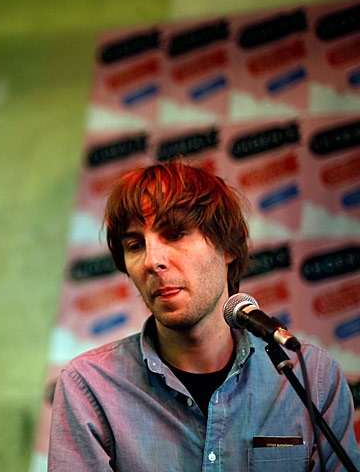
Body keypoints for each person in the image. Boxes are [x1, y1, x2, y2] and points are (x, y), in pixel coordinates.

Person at [48, 161, 360, 471]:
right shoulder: (89, 386)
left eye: (174, 234)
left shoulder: (313, 377)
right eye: (135, 245)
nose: (152, 260)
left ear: (227, 247)